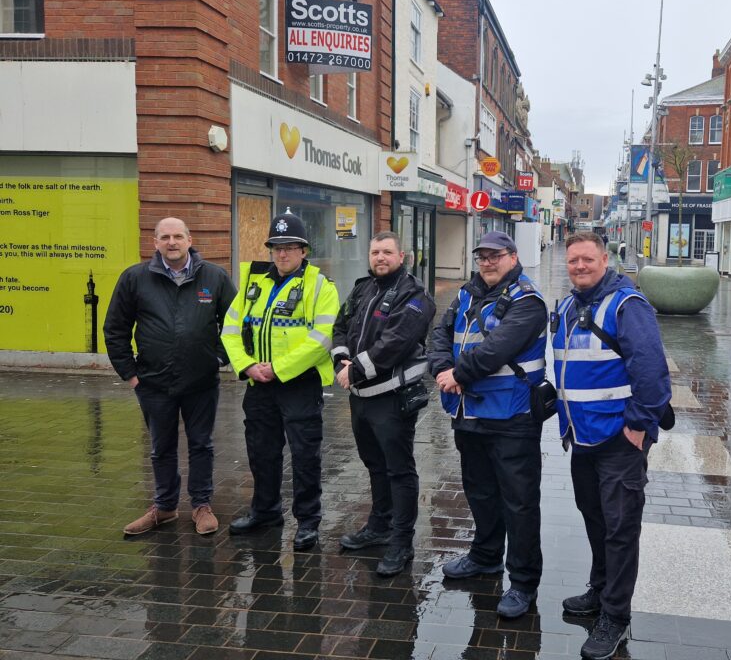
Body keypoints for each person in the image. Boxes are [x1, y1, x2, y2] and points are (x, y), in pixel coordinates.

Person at [551, 231, 671, 660]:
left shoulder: (627, 305)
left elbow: (653, 372)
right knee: (596, 519)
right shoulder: (568, 306)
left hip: (620, 440)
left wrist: (638, 426)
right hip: (582, 437)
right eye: (572, 261)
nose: (579, 266)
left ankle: (615, 617)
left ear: (605, 259)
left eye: (587, 259)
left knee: (620, 529)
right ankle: (600, 590)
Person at [427, 231, 547, 620]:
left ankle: (524, 583)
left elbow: (498, 348)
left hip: (512, 417)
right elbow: (440, 334)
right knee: (479, 492)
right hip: (470, 414)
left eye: (495, 256)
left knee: (520, 502)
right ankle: (485, 556)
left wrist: (459, 374)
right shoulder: (466, 294)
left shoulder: (528, 300)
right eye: (482, 256)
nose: (487, 262)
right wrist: (441, 368)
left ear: (513, 257)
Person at [104, 217, 236, 537]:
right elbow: (115, 328)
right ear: (155, 242)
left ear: (190, 240)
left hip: (201, 382)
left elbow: (236, 325)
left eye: (178, 236)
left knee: (201, 444)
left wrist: (218, 358)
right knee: (161, 447)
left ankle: (202, 505)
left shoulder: (215, 277)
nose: (172, 242)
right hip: (153, 382)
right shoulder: (136, 278)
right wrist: (131, 374)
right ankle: (164, 507)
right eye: (165, 237)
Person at [220, 208, 340, 551]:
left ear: (304, 251)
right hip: (258, 383)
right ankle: (266, 511)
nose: (282, 253)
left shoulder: (320, 286)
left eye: (290, 247)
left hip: (298, 384)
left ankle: (307, 521)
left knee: (305, 456)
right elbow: (229, 331)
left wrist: (279, 367)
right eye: (276, 247)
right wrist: (246, 366)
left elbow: (322, 339)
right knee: (261, 452)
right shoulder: (253, 283)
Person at [332, 231, 436, 577]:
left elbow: (397, 342)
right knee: (374, 466)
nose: (380, 258)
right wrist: (341, 361)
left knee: (399, 471)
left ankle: (401, 542)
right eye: (375, 252)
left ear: (401, 255)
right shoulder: (363, 288)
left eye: (387, 252)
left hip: (391, 400)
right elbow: (341, 325)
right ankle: (379, 526)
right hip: (360, 399)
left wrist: (356, 370)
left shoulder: (415, 295)